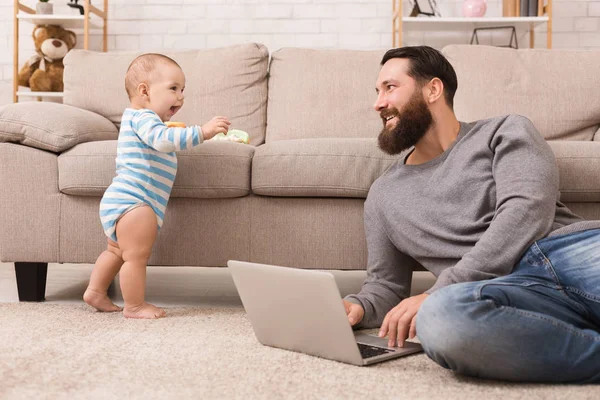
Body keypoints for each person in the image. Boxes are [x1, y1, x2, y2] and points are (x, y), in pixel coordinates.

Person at [343, 46, 600, 382]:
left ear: (433, 89)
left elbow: (527, 210)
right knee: (440, 319)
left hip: (568, 253)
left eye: (390, 88)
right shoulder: (383, 196)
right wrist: (357, 307)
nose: (378, 103)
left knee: (437, 302)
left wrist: (441, 287)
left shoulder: (505, 131)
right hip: (506, 295)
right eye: (377, 92)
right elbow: (386, 286)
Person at [83, 53, 231, 319]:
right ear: (144, 91)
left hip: (122, 199)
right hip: (136, 202)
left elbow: (161, 138)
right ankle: (135, 305)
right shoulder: (144, 118)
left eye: (183, 90)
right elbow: (163, 140)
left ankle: (95, 291)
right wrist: (204, 132)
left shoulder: (141, 120)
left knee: (116, 251)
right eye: (173, 88)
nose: (181, 96)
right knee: (136, 257)